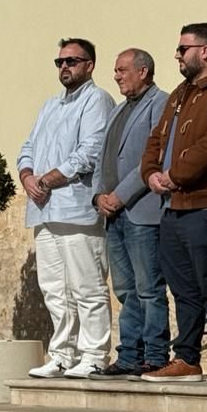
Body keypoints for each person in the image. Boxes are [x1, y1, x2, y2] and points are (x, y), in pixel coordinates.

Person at [140, 23, 207, 384]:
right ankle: (186, 357)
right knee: (182, 287)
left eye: (184, 48)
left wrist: (174, 175)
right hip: (173, 205)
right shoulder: (180, 94)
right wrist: (151, 173)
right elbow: (157, 139)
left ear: (206, 51)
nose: (177, 54)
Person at [18, 38, 115, 379]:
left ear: (89, 64)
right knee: (54, 289)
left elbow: (90, 152)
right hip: (44, 211)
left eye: (72, 61)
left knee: (87, 287)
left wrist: (48, 180)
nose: (64, 67)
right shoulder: (50, 105)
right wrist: (28, 176)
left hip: (76, 210)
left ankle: (94, 354)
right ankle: (62, 354)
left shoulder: (97, 100)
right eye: (59, 62)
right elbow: (27, 146)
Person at [89, 48, 170, 378]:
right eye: (116, 70)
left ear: (144, 71)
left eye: (123, 69)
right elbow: (101, 157)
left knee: (149, 287)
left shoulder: (160, 103)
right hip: (113, 214)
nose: (117, 75)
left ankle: (154, 354)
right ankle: (129, 355)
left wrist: (119, 196)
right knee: (124, 289)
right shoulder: (118, 110)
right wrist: (98, 196)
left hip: (141, 210)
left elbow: (152, 159)